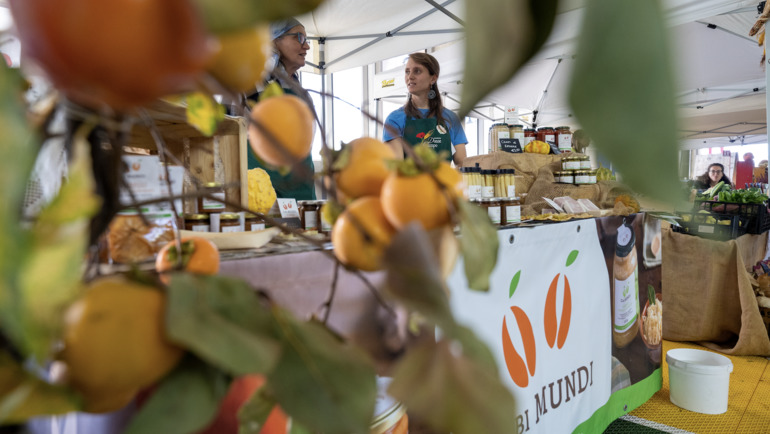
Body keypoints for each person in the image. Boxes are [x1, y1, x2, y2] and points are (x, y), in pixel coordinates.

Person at [246, 18, 316, 200]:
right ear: (274, 41)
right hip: (262, 192)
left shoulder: (302, 91)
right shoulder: (250, 83)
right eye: (299, 37)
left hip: (302, 190)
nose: (307, 46)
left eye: (306, 40)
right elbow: (228, 132)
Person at [383, 52, 467, 166]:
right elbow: (396, 167)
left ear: (433, 78)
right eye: (407, 71)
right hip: (410, 183)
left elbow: (462, 164)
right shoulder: (395, 119)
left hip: (443, 183)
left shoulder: (451, 118)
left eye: (417, 71)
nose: (410, 76)